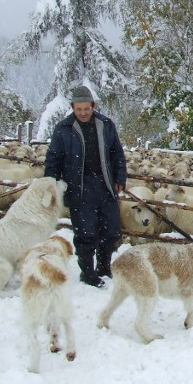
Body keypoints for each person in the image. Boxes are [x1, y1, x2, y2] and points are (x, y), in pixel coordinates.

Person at [44, 86, 127, 288]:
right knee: (86, 232)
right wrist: (51, 183)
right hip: (78, 187)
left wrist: (120, 178)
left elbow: (117, 153)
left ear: (93, 106)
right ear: (72, 107)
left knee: (111, 231)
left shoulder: (105, 125)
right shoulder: (64, 129)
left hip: (105, 184)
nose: (83, 113)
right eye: (79, 109)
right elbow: (53, 159)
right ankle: (87, 272)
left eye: (86, 109)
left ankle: (104, 266)